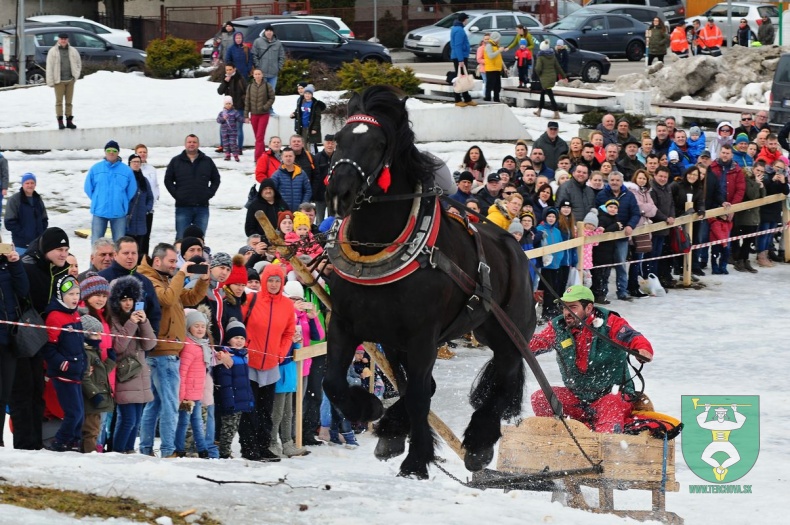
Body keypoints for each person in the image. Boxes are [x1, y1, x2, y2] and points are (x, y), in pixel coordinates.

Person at [529, 285, 653, 433]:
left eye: (573, 307)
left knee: (612, 405)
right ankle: (562, 440)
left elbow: (634, 338)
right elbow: (535, 343)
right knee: (541, 399)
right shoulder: (558, 326)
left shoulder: (610, 322)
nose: (566, 313)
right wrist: (511, 339)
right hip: (578, 399)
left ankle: (600, 438)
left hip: (612, 396)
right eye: (564, 307)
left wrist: (643, 350)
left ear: (588, 308)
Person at [136, 243, 209, 457]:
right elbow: (167, 299)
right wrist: (182, 273)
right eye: (171, 262)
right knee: (170, 403)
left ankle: (146, 448)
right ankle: (168, 450)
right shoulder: (149, 280)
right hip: (163, 352)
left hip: (167, 351)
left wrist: (202, 282)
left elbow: (190, 298)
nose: (174, 266)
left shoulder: (166, 280)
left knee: (155, 403)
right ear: (156, 261)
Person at [12, 227, 71, 450]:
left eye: (66, 249)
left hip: (41, 341)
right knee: (23, 393)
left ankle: (34, 444)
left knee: (37, 392)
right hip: (21, 339)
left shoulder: (59, 273)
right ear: (46, 249)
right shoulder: (29, 268)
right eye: (59, 249)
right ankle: (23, 444)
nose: (63, 254)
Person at [239, 263, 295, 462]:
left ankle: (264, 446)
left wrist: (280, 353)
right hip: (250, 362)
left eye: (277, 281)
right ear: (264, 281)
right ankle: (248, 446)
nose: (273, 284)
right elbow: (239, 323)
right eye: (270, 280)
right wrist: (244, 345)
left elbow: (289, 332)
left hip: (272, 363)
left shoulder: (288, 305)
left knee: (267, 409)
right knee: (250, 408)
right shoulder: (252, 299)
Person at [107, 275, 156, 454]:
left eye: (130, 299)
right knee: (127, 419)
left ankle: (128, 450)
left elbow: (150, 344)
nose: (127, 303)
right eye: (124, 299)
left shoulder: (136, 318)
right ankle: (118, 452)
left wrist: (144, 322)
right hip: (124, 375)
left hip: (140, 374)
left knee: (136, 421)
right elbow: (118, 346)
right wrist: (131, 323)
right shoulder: (113, 319)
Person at [41, 275, 87, 451]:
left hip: (76, 372)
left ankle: (74, 441)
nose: (75, 297)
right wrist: (63, 364)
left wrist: (85, 360)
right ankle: (60, 441)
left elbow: (79, 343)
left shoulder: (75, 315)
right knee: (73, 413)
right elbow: (49, 349)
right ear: (61, 295)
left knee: (80, 414)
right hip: (63, 374)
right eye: (71, 294)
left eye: (77, 293)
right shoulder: (54, 316)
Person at [98, 237, 161, 334]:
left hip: (139, 344)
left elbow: (154, 313)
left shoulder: (145, 282)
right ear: (115, 255)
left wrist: (151, 338)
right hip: (111, 340)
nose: (130, 257)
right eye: (126, 253)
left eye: (134, 253)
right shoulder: (101, 278)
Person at [164, 134, 222, 239]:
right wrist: (177, 195)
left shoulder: (207, 161)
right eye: (189, 142)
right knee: (181, 238)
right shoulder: (176, 161)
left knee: (200, 238)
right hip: (183, 207)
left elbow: (216, 179)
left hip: (202, 207)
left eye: (194, 142)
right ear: (185, 144)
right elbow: (168, 180)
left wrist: (208, 194)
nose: (192, 144)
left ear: (198, 144)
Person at [594, 172, 640, 301]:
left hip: (622, 236)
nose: (614, 182)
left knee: (621, 263)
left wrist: (630, 225)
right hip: (605, 238)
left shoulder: (629, 195)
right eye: (612, 180)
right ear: (608, 181)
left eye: (617, 180)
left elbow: (636, 213)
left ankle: (622, 291)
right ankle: (603, 291)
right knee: (605, 265)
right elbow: (596, 212)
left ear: (622, 181)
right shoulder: (602, 195)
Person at [0, 245, 29, 447]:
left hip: (8, 339)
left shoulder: (7, 267)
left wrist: (15, 264)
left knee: (3, 393)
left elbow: (23, 290)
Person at [84, 140, 137, 246]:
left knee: (119, 244)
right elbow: (88, 188)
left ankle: (117, 263)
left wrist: (122, 201)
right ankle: (94, 263)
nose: (111, 152)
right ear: (105, 152)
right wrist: (97, 199)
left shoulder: (126, 170)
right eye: (108, 150)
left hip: (118, 213)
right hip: (99, 212)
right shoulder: (96, 168)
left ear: (118, 153)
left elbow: (132, 189)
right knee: (96, 243)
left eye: (114, 150)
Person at [214, 318, 254, 459]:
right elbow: (226, 383)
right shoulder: (228, 356)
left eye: (242, 338)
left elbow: (245, 382)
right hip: (231, 402)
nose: (239, 340)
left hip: (240, 400)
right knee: (228, 428)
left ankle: (226, 450)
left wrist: (249, 398)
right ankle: (223, 452)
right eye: (236, 337)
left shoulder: (243, 356)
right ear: (229, 339)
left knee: (233, 428)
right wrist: (229, 400)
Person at [175, 308, 212, 458]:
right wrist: (182, 396)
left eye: (202, 326)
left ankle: (202, 449)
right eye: (196, 326)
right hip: (187, 395)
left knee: (197, 422)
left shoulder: (202, 345)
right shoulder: (189, 346)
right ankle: (179, 448)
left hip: (196, 393)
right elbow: (182, 373)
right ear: (189, 327)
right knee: (183, 422)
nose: (200, 329)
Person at [79, 313, 115, 454]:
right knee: (91, 430)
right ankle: (89, 453)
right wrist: (94, 395)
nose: (99, 338)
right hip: (91, 400)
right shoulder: (87, 353)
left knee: (95, 428)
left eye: (100, 334)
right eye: (95, 335)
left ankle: (92, 451)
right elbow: (85, 377)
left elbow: (101, 373)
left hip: (97, 397)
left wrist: (111, 360)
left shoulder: (94, 352)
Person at [4, 173, 48, 255]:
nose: (30, 185)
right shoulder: (14, 200)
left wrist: (41, 232)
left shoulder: (38, 199)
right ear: (22, 184)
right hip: (21, 245)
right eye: (27, 183)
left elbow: (44, 219)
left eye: (32, 183)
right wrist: (24, 234)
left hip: (38, 244)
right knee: (22, 266)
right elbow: (9, 222)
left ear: (35, 184)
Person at [732, 165, 765, 273]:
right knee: (745, 241)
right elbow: (752, 195)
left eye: (761, 171)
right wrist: (756, 183)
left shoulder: (756, 181)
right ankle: (740, 260)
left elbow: (762, 195)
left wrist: (761, 185)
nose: (759, 172)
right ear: (752, 170)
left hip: (754, 216)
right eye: (757, 170)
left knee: (748, 241)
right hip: (745, 216)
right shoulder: (746, 180)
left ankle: (745, 260)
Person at [45, 33, 81, 130]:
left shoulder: (73, 51)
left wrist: (75, 76)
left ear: (67, 40)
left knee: (69, 102)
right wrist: (50, 81)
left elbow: (78, 63)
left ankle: (69, 121)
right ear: (58, 40)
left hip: (70, 80)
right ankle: (60, 121)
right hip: (58, 81)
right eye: (62, 39)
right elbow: (49, 67)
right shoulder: (53, 51)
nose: (63, 41)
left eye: (65, 39)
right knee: (59, 102)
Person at [133, 145, 160, 260]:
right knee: (135, 236)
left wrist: (155, 198)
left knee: (146, 236)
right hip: (135, 210)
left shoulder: (151, 169)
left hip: (148, 209)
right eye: (140, 152)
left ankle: (144, 260)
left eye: (144, 152)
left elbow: (155, 186)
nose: (142, 154)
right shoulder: (132, 170)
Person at [126, 154, 155, 255]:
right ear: (129, 163)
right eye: (134, 162)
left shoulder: (144, 180)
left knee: (140, 249)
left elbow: (150, 197)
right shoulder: (126, 179)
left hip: (141, 220)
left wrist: (146, 209)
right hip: (129, 219)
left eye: (138, 162)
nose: (136, 164)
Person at [245, 69, 276, 162]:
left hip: (264, 114)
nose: (257, 76)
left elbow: (272, 97)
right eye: (256, 74)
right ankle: (263, 155)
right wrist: (246, 115)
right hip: (254, 115)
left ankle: (258, 158)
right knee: (258, 138)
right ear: (253, 75)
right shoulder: (250, 87)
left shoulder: (267, 85)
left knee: (259, 137)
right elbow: (247, 101)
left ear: (262, 75)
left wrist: (265, 107)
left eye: (259, 74)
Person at [216, 63, 247, 155]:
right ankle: (223, 146)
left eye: (230, 69)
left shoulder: (240, 79)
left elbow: (246, 92)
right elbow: (220, 91)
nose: (228, 71)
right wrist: (225, 82)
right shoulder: (226, 79)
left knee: (238, 128)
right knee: (223, 126)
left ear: (234, 69)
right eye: (227, 70)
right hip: (228, 108)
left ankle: (239, 148)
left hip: (239, 107)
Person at [271, 147, 312, 211]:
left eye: (290, 156)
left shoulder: (301, 173)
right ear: (282, 157)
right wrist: (279, 206)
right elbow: (272, 191)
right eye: (286, 156)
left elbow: (308, 191)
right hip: (282, 211)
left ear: (294, 157)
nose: (288, 158)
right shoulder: (277, 175)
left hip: (299, 211)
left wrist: (303, 205)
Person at [291, 85, 326, 155]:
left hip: (310, 127)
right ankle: (304, 157)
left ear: (312, 95)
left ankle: (312, 157)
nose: (307, 95)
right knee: (303, 143)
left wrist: (315, 128)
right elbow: (299, 112)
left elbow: (317, 118)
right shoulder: (301, 102)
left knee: (311, 144)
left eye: (309, 94)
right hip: (302, 127)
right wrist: (294, 114)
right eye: (306, 93)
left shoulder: (315, 104)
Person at [534, 40, 564, 119]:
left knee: (550, 95)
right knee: (542, 94)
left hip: (545, 79)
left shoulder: (541, 57)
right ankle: (539, 111)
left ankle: (556, 113)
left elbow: (537, 68)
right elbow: (558, 67)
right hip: (552, 77)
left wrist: (539, 74)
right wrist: (564, 76)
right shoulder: (552, 56)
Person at [450, 12, 474, 107]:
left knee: (461, 77)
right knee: (460, 78)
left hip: (458, 56)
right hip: (460, 57)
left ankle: (466, 98)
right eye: (466, 19)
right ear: (464, 20)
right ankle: (458, 99)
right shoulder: (459, 30)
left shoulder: (455, 28)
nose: (467, 21)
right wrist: (461, 59)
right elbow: (458, 45)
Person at [251, 25, 286, 92]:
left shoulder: (278, 43)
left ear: (273, 32)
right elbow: (254, 55)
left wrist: (278, 67)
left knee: (271, 93)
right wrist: (258, 66)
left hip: (273, 73)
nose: (269, 32)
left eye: (270, 31)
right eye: (267, 31)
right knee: (262, 93)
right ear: (265, 32)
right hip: (261, 73)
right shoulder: (258, 42)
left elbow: (281, 56)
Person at [217, 96, 242, 162]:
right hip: (224, 132)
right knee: (226, 144)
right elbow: (218, 120)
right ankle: (227, 155)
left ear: (232, 104)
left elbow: (239, 118)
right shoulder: (222, 113)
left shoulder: (234, 112)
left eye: (229, 103)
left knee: (233, 143)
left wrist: (245, 120)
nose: (228, 105)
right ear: (224, 104)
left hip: (232, 131)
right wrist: (223, 119)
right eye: (226, 104)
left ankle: (235, 155)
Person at [483, 32, 504, 103]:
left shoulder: (496, 45)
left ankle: (496, 98)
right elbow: (490, 56)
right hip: (491, 68)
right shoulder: (489, 45)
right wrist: (499, 51)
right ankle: (487, 97)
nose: (499, 40)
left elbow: (499, 57)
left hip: (497, 68)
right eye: (498, 39)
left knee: (497, 85)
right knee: (490, 84)